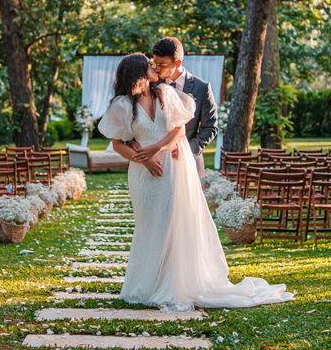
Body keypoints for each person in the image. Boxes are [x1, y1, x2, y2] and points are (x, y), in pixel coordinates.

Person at [98, 52, 293, 312]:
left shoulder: (165, 94)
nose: (155, 68)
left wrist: (157, 147)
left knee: (173, 222)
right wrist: (143, 160)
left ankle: (174, 281)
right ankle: (147, 284)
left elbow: (179, 129)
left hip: (174, 168)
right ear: (139, 73)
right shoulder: (123, 105)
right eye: (149, 66)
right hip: (145, 173)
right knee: (152, 225)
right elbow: (117, 144)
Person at [150, 37, 217, 179]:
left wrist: (187, 149)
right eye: (155, 63)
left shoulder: (202, 88)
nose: (156, 68)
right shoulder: (151, 85)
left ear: (178, 62)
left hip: (189, 161)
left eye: (162, 64)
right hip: (157, 162)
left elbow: (210, 127)